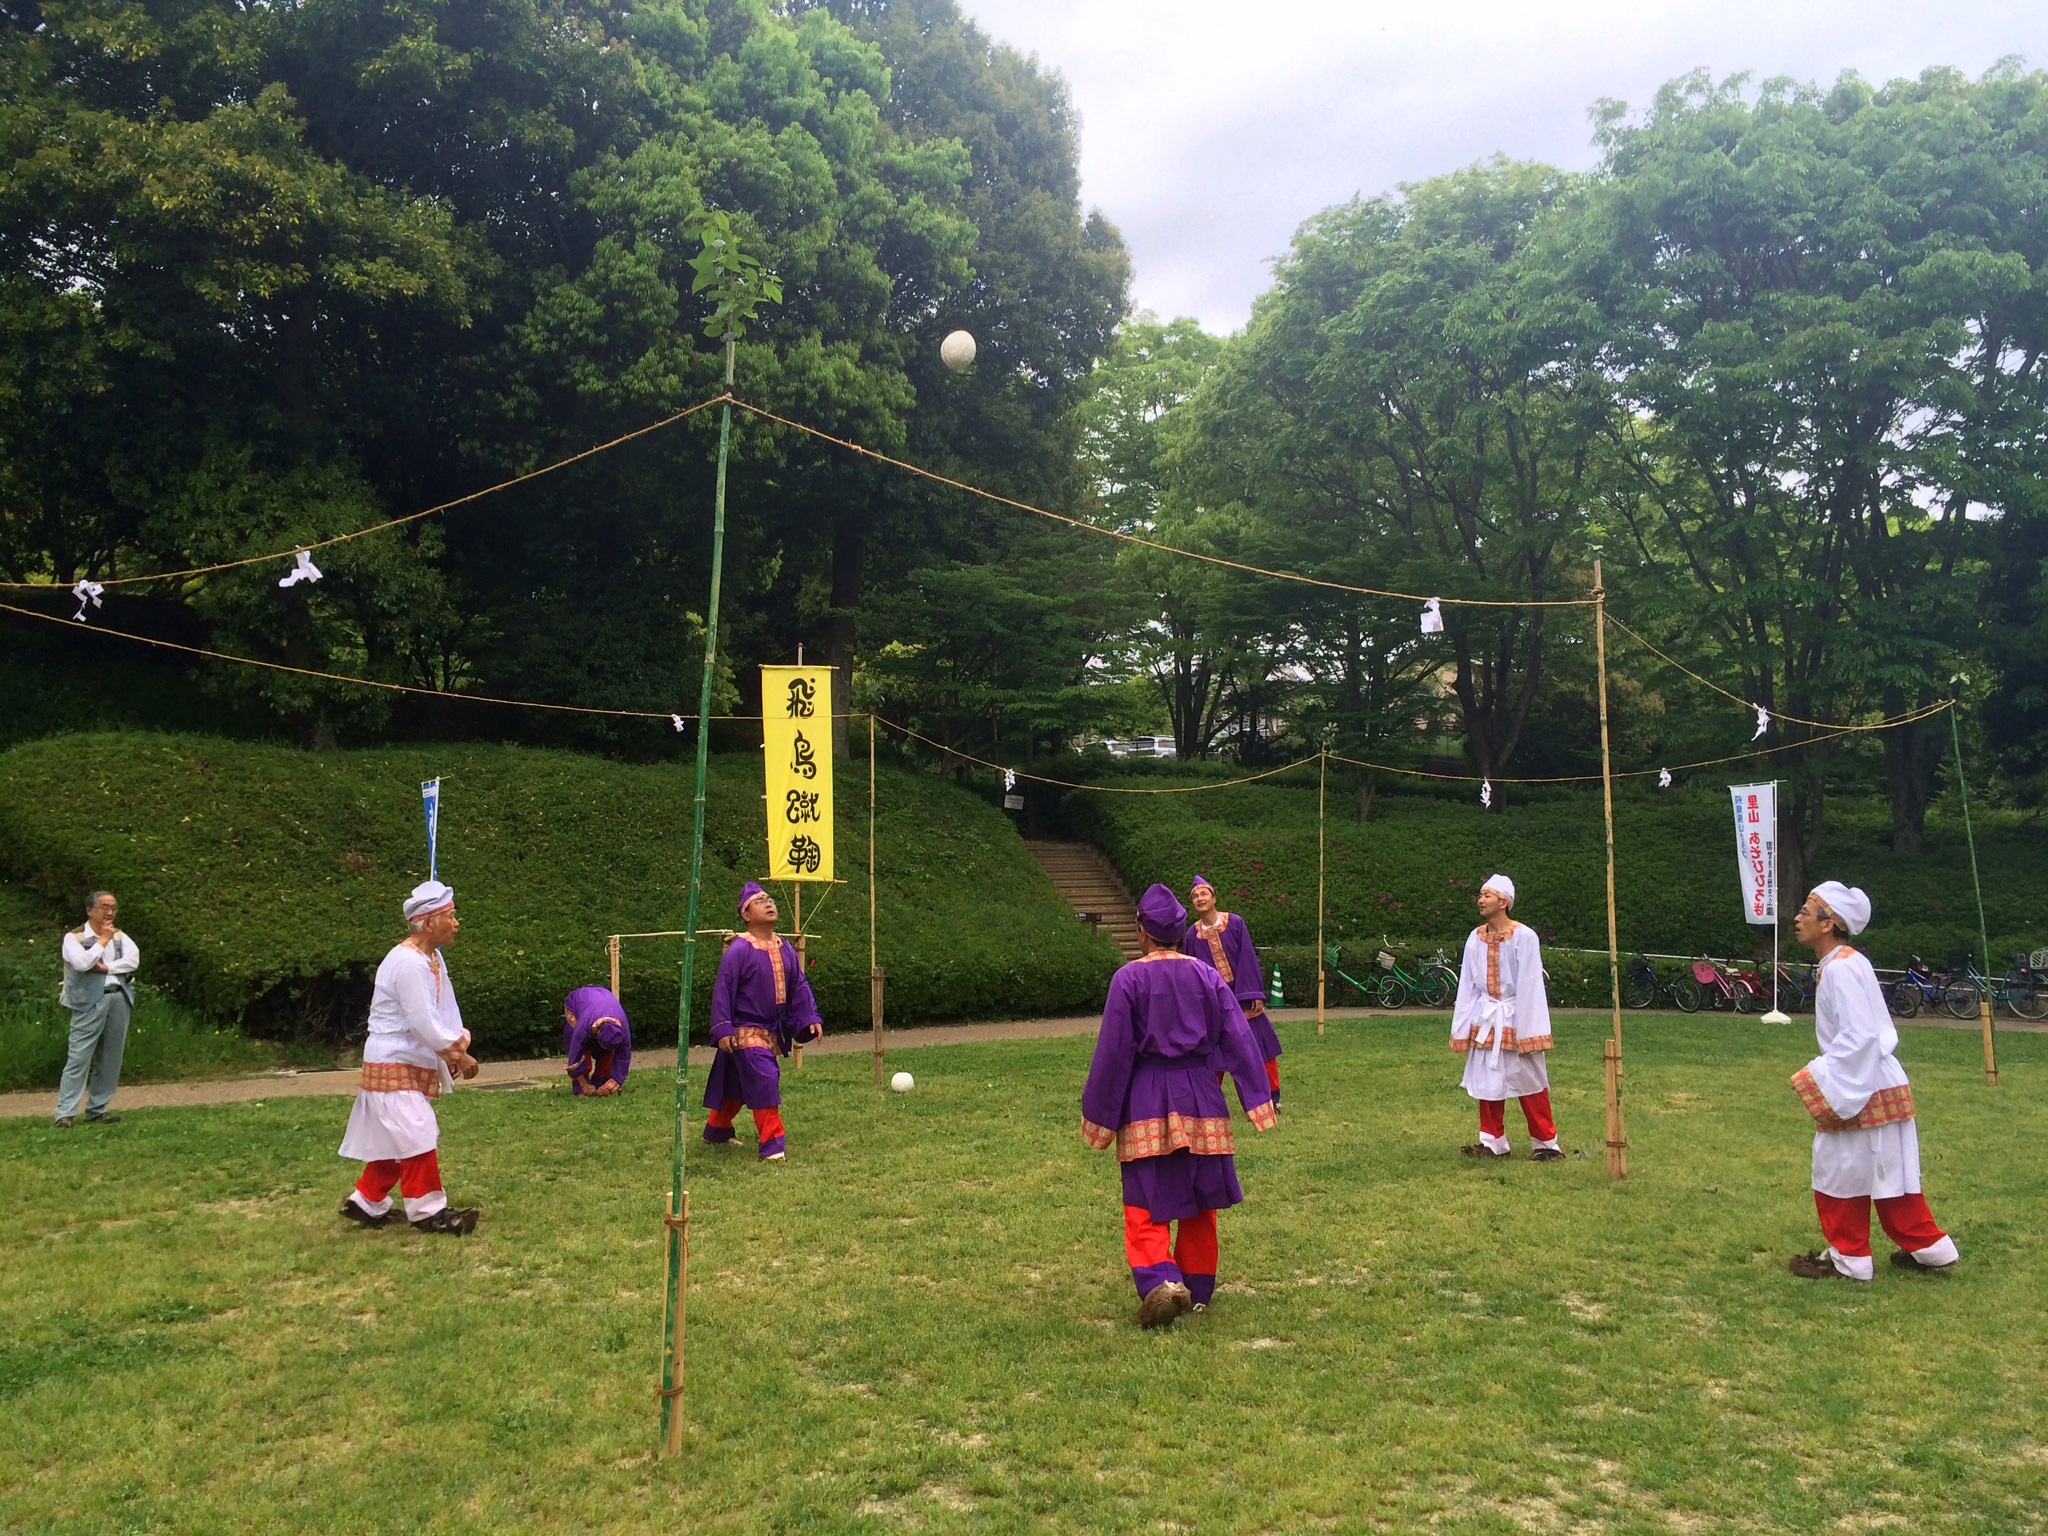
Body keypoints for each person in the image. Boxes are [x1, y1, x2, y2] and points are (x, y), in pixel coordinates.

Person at [1082, 884, 1278, 1328]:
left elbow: (1114, 1054)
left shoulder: (1128, 979)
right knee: (1201, 1196)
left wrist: (1099, 1116)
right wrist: (1257, 1098)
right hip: (1202, 1094)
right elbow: (1238, 1036)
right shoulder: (1206, 976)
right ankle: (1198, 1288)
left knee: (1144, 1200)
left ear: (1142, 932)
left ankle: (1162, 1282)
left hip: (1147, 1095)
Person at [1786, 881, 1959, 1282]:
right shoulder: (1850, 962)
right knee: (1890, 1172)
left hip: (1860, 1081)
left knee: (1839, 1171)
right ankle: (1929, 1249)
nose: (1797, 918)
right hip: (1878, 1079)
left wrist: (1820, 1077)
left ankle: (1849, 1258)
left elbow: (1860, 1035)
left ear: (1828, 924)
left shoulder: (1840, 969)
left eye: (1806, 911)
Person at [337, 881, 482, 1235]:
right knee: (417, 1131)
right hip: (393, 1057)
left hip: (405, 1056)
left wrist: (457, 1041)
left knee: (398, 1135)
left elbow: (443, 1007)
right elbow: (422, 1020)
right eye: (450, 915)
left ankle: (366, 1201)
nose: (456, 922)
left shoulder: (431, 958)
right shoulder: (408, 963)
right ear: (429, 923)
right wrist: (457, 1054)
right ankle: (429, 1212)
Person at [702, 882, 822, 1161]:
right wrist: (723, 1028)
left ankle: (717, 1128)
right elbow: (723, 990)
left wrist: (809, 1016)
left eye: (770, 900)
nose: (769, 904)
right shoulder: (739, 950)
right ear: (746, 915)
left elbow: (799, 985)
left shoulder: (785, 947)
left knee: (734, 1081)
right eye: (760, 901)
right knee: (765, 1078)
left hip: (770, 1030)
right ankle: (772, 1144)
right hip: (744, 1030)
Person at [1449, 874, 1562, 1161]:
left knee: (1530, 1081)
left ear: (1504, 902)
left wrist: (1530, 1031)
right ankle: (1493, 1143)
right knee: (1487, 1081)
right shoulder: (1474, 938)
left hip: (1516, 1016)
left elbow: (1531, 985)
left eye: (1486, 895)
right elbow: (1468, 985)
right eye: (1480, 895)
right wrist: (1463, 1026)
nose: (1480, 900)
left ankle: (1546, 1144)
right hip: (1487, 1017)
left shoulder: (1524, 937)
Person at [1185, 875, 1283, 1108]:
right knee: (1212, 1055)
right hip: (1214, 1003)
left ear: (1214, 898)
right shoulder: (1192, 935)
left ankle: (1270, 1100)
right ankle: (1206, 1102)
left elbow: (1248, 957)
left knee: (1260, 1048)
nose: (1200, 899)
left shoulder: (1235, 923)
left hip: (1242, 997)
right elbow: (1191, 973)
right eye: (1195, 896)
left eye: (1204, 894)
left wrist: (1253, 993)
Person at [54, 890, 138, 1128]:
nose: (110, 912)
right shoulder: (74, 938)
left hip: (118, 997)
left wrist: (106, 968)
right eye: (104, 907)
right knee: (79, 1056)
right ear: (90, 911)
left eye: (113, 907)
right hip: (87, 1001)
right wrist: (102, 941)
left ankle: (97, 1109)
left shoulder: (120, 936)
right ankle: (65, 1113)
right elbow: (82, 963)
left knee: (111, 1057)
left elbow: (133, 961)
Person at [563, 986, 632, 1096]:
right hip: (577, 1004)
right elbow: (574, 1055)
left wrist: (612, 1085)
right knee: (582, 1050)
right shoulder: (584, 1025)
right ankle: (580, 1087)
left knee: (607, 1054)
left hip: (600, 1004)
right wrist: (583, 1084)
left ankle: (602, 1080)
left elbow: (624, 1056)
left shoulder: (623, 1029)